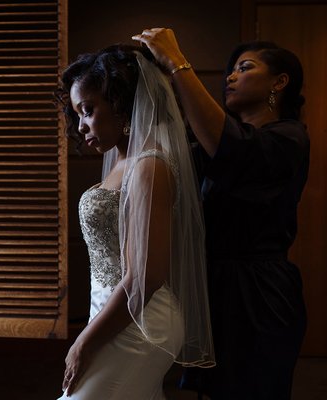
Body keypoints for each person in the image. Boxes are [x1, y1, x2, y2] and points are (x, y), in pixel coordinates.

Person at [132, 28, 309, 399]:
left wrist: (179, 63)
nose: (230, 76)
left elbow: (233, 150)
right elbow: (185, 152)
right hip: (217, 285)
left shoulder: (289, 138)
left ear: (280, 82)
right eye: (231, 69)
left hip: (259, 294)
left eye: (244, 68)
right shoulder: (214, 144)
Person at [54, 44, 214, 400]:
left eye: (89, 110)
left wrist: (83, 341)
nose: (81, 126)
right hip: (116, 311)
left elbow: (146, 276)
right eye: (78, 114)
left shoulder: (148, 166)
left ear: (121, 105)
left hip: (142, 321)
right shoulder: (123, 160)